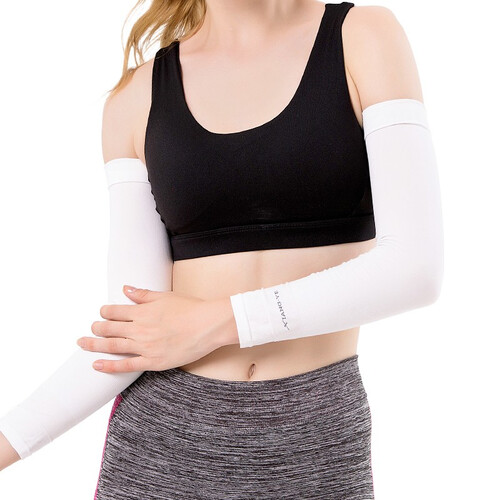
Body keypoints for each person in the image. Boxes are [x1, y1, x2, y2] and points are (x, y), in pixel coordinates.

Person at [0, 0, 444, 498]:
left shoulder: (362, 37)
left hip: (314, 445)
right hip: (161, 448)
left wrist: (217, 321)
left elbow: (414, 269)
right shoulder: (136, 96)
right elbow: (132, 332)